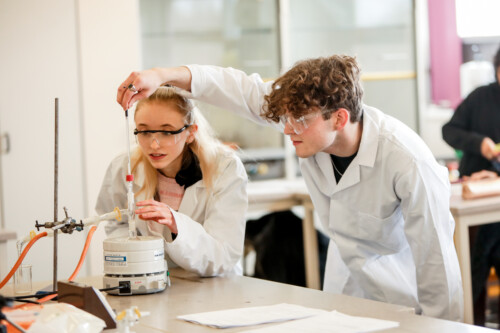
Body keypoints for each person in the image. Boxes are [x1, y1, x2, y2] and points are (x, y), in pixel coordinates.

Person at [116, 55, 463, 321]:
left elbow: (438, 264)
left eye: (299, 121)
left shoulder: (407, 162)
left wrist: (440, 327)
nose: (287, 129)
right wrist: (163, 76)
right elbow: (238, 88)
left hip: (408, 298)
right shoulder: (309, 123)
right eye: (285, 118)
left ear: (339, 118)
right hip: (346, 290)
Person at [97, 86, 248, 276]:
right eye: (144, 132)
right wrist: (140, 258)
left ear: (191, 132)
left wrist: (175, 223)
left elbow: (223, 257)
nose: (153, 144)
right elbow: (115, 222)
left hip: (213, 283)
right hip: (151, 279)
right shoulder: (124, 167)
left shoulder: (225, 168)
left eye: (166, 132)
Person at [442, 46, 500, 325]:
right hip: (471, 199)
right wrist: (480, 144)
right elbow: (449, 130)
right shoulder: (479, 98)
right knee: (471, 272)